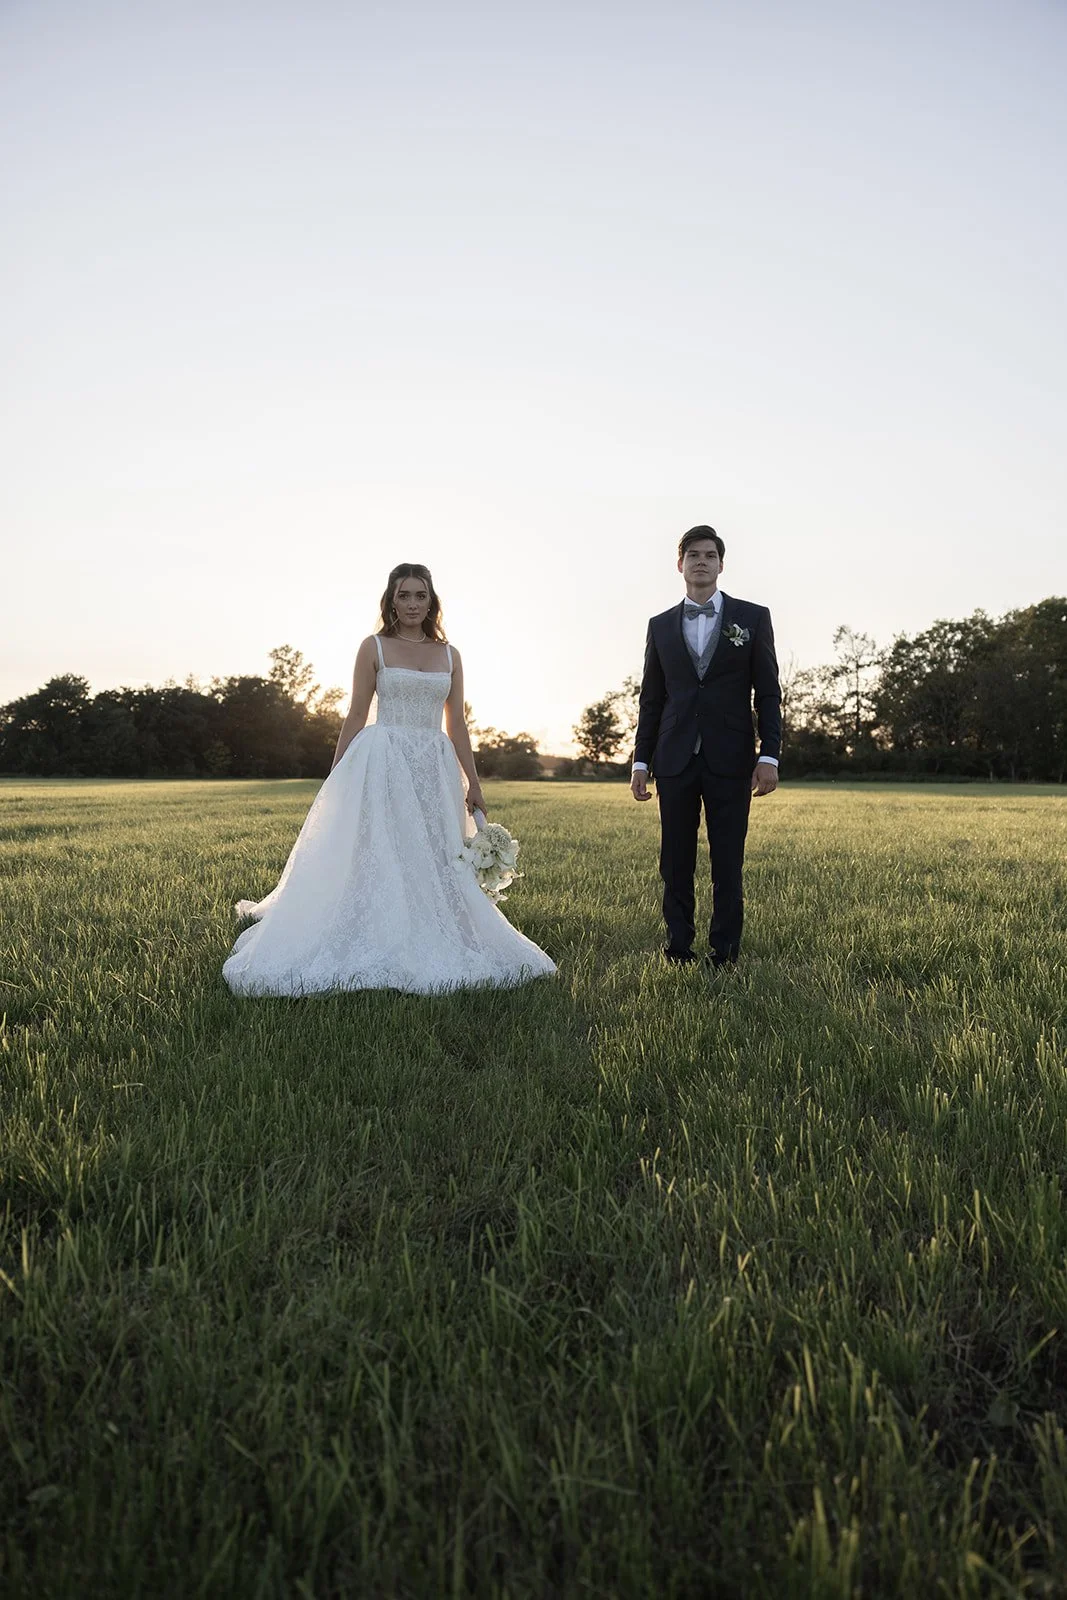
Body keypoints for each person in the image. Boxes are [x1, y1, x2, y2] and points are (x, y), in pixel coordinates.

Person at [223, 563, 556, 996]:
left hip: (433, 764)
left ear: (432, 601)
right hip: (382, 758)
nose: (413, 603)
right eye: (404, 595)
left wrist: (473, 783)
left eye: (421, 595)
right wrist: (338, 771)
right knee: (382, 845)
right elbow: (357, 712)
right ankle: (378, 923)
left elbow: (458, 726)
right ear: (391, 600)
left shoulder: (450, 654)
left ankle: (435, 926)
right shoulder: (374, 647)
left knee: (437, 850)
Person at [631, 526, 781, 968]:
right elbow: (651, 698)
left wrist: (768, 755)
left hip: (732, 757)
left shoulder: (752, 618)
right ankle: (678, 948)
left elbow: (768, 693)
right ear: (680, 564)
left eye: (709, 555)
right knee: (675, 861)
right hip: (674, 758)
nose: (701, 561)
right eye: (692, 554)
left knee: (727, 860)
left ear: (721, 564)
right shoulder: (659, 626)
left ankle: (726, 952)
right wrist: (642, 760)